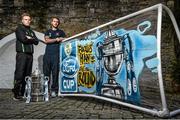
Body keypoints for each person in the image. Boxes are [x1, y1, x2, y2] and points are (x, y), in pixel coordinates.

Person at [12, 13, 39, 100]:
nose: (27, 21)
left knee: (27, 75)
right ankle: (16, 93)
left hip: (30, 55)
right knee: (19, 74)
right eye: (26, 19)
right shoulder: (19, 29)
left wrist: (30, 38)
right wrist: (31, 39)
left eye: (29, 19)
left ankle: (23, 93)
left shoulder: (31, 31)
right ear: (22, 20)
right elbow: (23, 39)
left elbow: (37, 42)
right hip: (22, 54)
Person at [43, 17, 66, 97]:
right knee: (46, 74)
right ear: (51, 22)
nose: (55, 23)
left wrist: (60, 38)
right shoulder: (47, 31)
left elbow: (64, 39)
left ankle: (54, 90)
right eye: (54, 21)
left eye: (57, 22)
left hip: (56, 55)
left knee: (55, 73)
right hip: (47, 56)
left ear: (58, 23)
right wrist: (56, 39)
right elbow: (46, 40)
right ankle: (46, 90)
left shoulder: (61, 32)